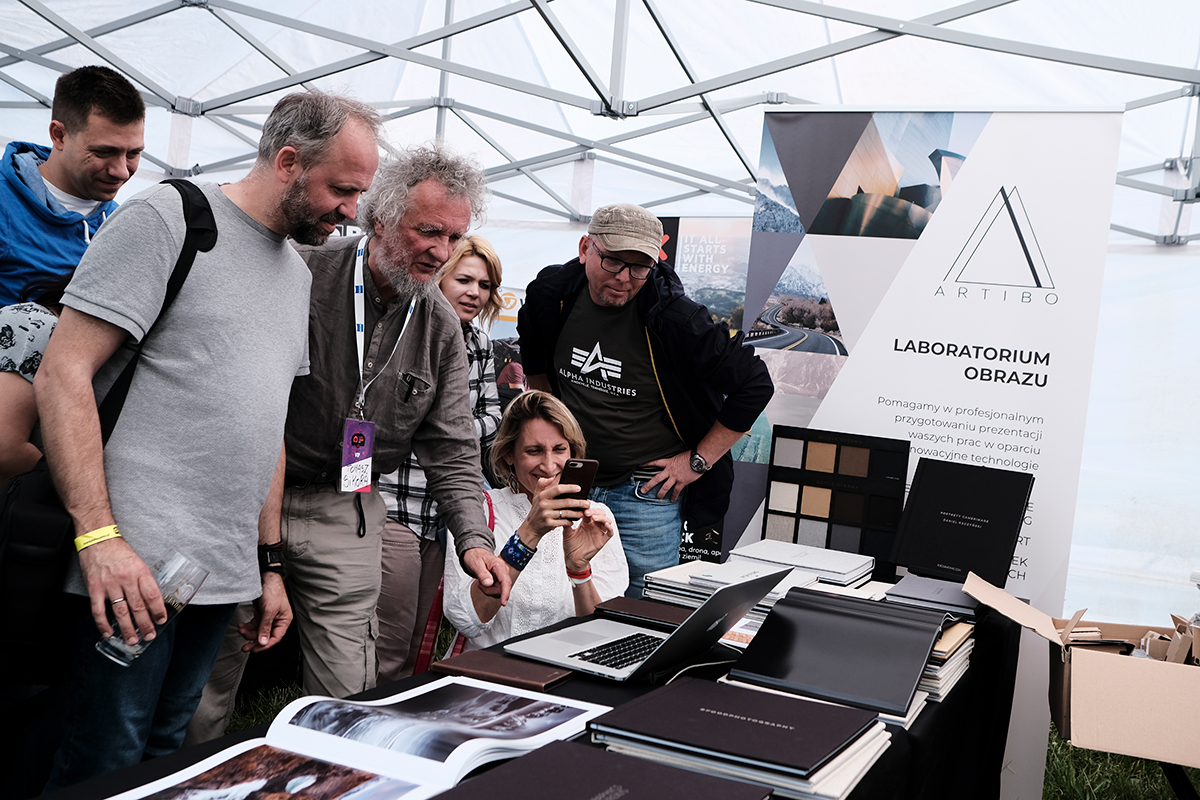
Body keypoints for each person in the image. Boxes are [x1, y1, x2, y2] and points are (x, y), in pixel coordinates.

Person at [34, 89, 382, 789]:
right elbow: (62, 372)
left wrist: (269, 563)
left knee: (172, 755)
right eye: (342, 191)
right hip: (130, 568)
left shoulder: (295, 272)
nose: (352, 213)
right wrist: (99, 541)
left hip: (218, 578)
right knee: (102, 758)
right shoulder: (171, 220)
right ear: (288, 162)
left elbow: (267, 424)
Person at [518, 203, 774, 598]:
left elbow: (755, 384)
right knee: (553, 592)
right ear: (586, 248)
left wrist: (697, 461)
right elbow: (534, 359)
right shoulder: (551, 294)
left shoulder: (675, 319)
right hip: (570, 479)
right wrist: (550, 433)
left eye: (640, 268)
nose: (625, 278)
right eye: (614, 263)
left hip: (645, 493)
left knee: (642, 604)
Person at [375, 234, 504, 682]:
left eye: (484, 285)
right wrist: (439, 431)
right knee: (388, 631)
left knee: (421, 635)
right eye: (464, 279)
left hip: (445, 509)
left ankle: (403, 711)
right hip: (394, 502)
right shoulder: (407, 330)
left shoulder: (481, 343)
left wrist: (446, 432)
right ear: (440, 280)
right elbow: (384, 418)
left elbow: (494, 416)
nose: (474, 292)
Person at [443, 391, 627, 649]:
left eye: (560, 449)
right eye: (534, 451)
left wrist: (579, 571)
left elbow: (604, 633)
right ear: (509, 454)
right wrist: (529, 533)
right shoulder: (477, 511)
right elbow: (467, 621)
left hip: (563, 677)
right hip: (489, 676)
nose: (549, 466)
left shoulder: (596, 518)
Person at [0, 65, 145, 306]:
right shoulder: (4, 203)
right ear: (59, 135)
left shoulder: (123, 222)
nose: (120, 171)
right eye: (104, 152)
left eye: (133, 153)